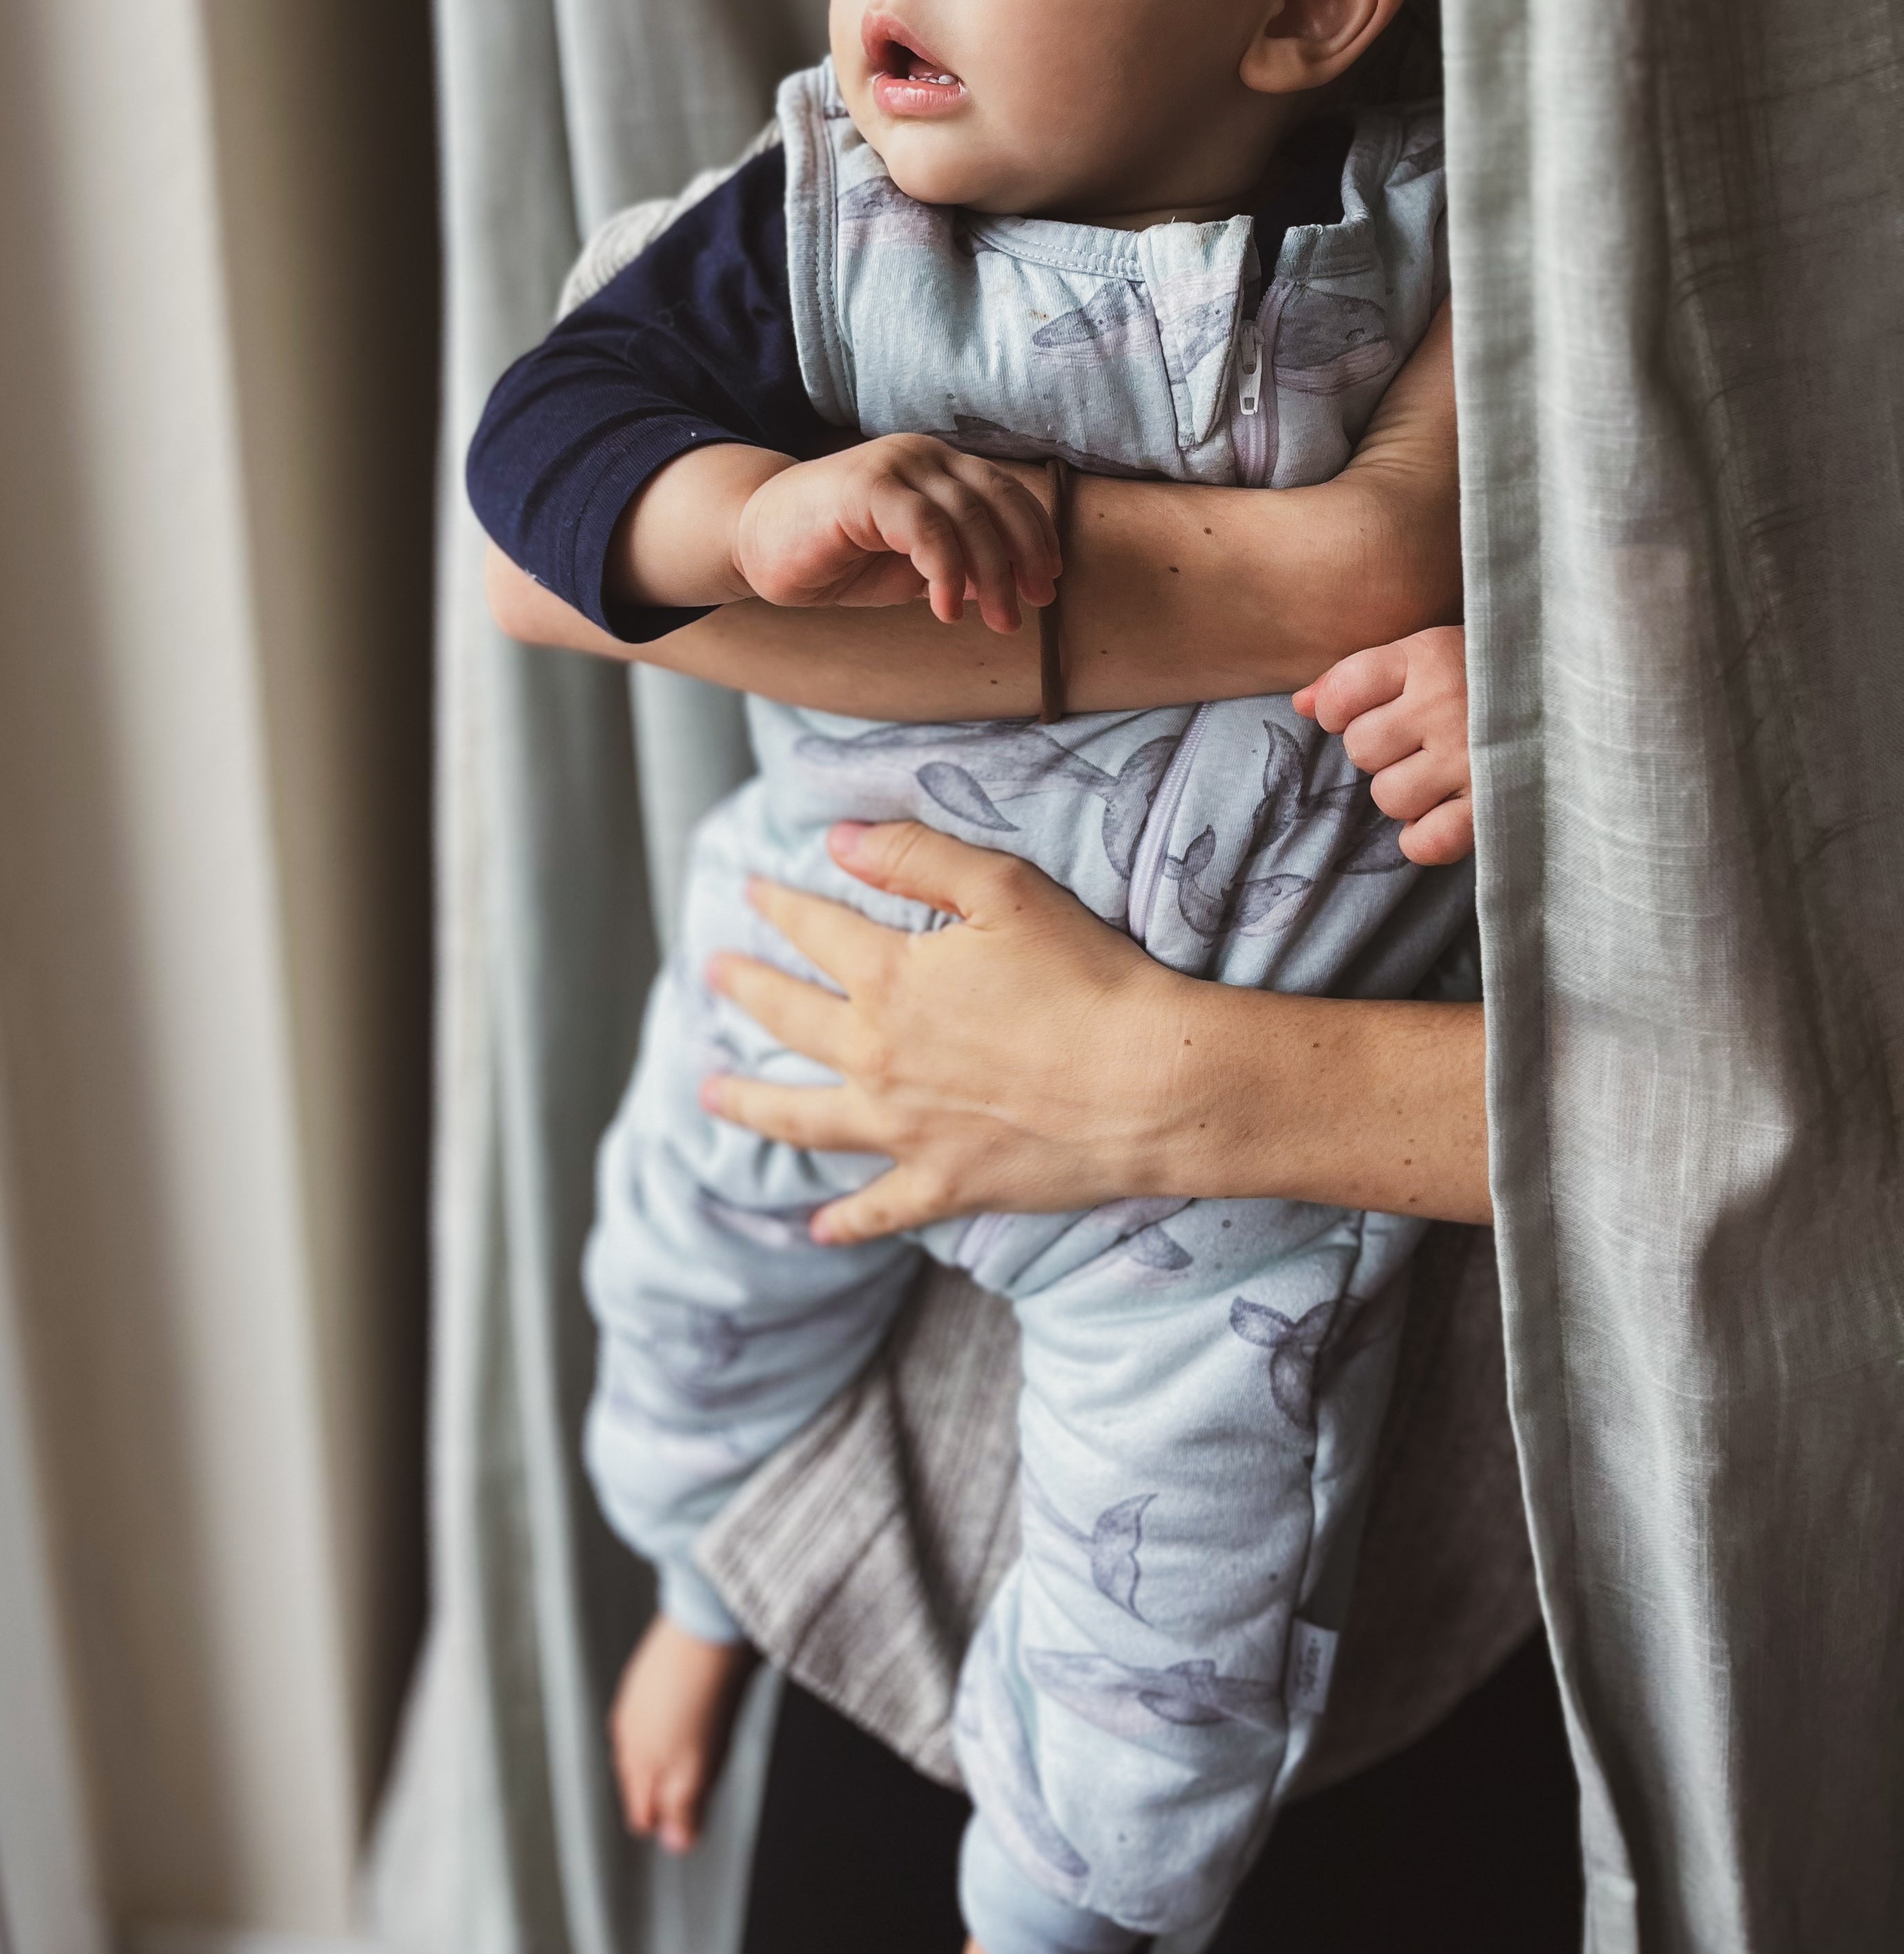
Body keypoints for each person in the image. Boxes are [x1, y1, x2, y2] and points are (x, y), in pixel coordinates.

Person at [469, 4, 1487, 1948]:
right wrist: (745, 511)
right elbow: (543, 442)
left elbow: (1644, 576)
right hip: (839, 936)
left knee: (1190, 1581)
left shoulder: (1454, 228)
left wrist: (1499, 678)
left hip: (1222, 1139)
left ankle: (1055, 1910)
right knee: (681, 1276)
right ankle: (701, 1579)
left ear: (1297, 21)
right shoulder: (812, 227)